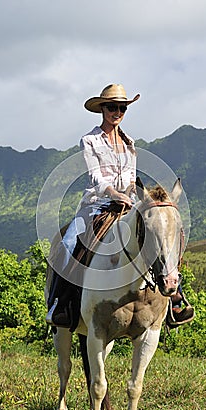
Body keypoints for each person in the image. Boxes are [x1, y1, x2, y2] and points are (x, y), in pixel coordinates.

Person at [46, 84, 140, 328]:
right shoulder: (89, 140)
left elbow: (131, 177)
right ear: (102, 109)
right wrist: (114, 194)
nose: (117, 112)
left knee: (160, 232)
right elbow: (95, 178)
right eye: (112, 107)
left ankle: (175, 300)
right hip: (96, 205)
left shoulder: (130, 143)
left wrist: (130, 192)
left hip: (128, 204)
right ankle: (60, 304)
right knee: (67, 243)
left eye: (121, 108)